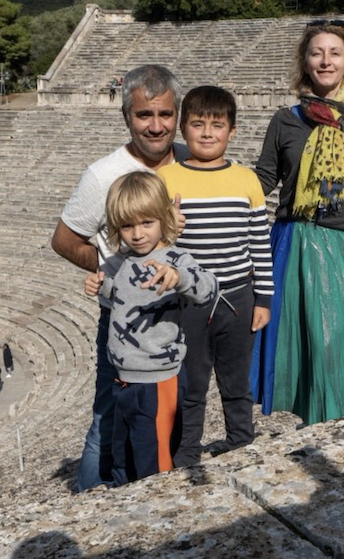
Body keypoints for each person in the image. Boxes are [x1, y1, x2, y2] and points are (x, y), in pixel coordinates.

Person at [51, 64, 187, 493]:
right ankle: (87, 507)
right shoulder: (102, 175)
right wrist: (113, 272)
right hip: (126, 325)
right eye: (144, 115)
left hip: (180, 317)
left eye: (165, 114)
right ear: (126, 116)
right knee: (107, 418)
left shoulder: (189, 161)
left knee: (175, 415)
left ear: (177, 114)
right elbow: (63, 239)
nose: (156, 125)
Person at [250, 18, 344, 426]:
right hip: (296, 238)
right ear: (305, 63)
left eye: (334, 53)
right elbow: (263, 180)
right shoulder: (285, 120)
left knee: (341, 338)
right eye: (316, 53)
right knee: (307, 341)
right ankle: (315, 424)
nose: (325, 61)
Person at [157, 86, 273, 466]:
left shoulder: (246, 181)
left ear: (232, 131)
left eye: (217, 125)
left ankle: (241, 440)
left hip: (238, 297)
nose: (207, 133)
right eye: (197, 124)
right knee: (191, 383)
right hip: (187, 302)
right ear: (183, 130)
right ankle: (187, 452)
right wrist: (167, 229)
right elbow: (153, 245)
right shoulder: (167, 179)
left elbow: (259, 242)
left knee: (235, 380)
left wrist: (264, 299)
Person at [84, 172, 217, 485]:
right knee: (123, 455)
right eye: (127, 226)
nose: (137, 234)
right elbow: (124, 295)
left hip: (157, 384)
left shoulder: (176, 259)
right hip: (123, 380)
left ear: (164, 218)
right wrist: (101, 286)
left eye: (147, 223)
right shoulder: (121, 261)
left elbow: (209, 288)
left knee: (153, 464)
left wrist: (180, 278)